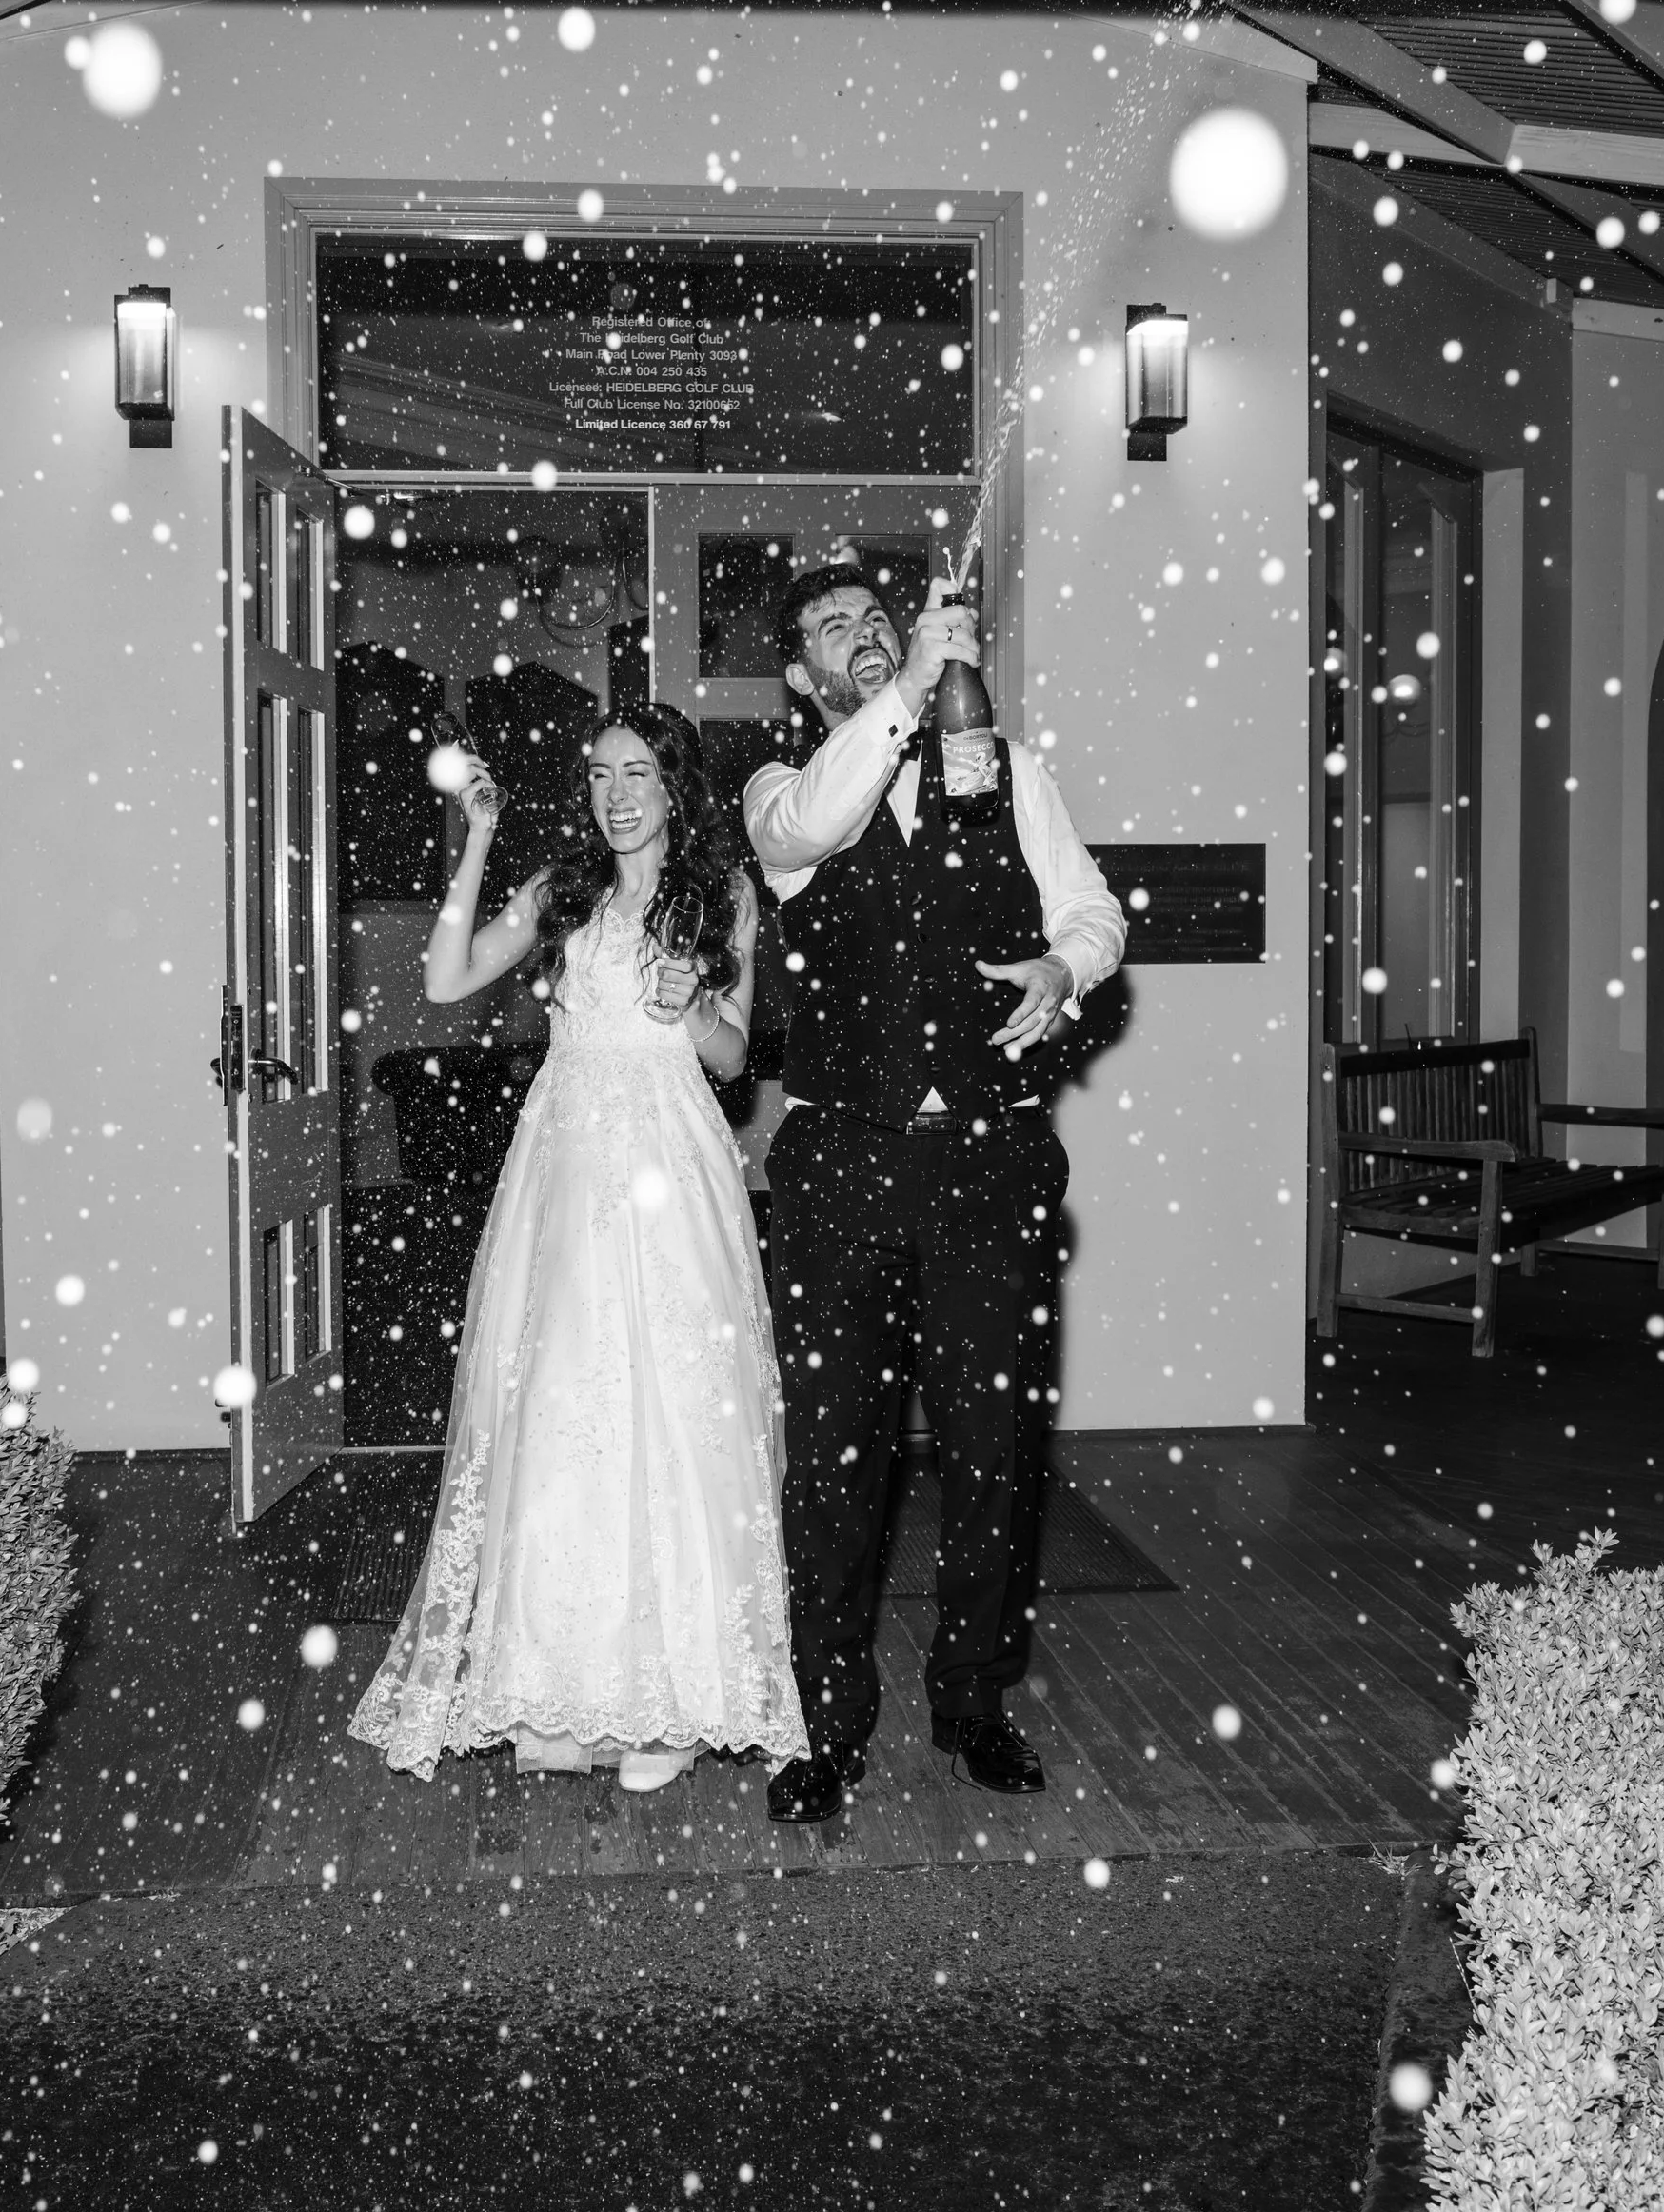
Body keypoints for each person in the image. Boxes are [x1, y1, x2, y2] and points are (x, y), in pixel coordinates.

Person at [349, 705, 806, 1794]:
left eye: (638, 772)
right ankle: (556, 1675)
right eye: (601, 773)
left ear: (673, 785)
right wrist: (474, 844)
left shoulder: (720, 895)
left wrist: (693, 1006)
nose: (616, 792)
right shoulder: (562, 889)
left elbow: (734, 1054)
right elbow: (447, 979)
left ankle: (676, 1694)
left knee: (678, 1410)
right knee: (559, 1405)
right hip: (563, 1162)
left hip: (674, 1155)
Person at [745, 564, 1124, 1822]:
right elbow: (812, 829)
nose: (858, 635)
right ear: (803, 674)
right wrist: (906, 693)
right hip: (843, 1166)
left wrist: (1065, 969)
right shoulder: (784, 787)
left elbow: (1092, 908)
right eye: (828, 629)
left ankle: (972, 1699)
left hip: (990, 1164)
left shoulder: (1008, 765)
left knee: (993, 1453)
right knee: (834, 1464)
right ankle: (826, 1722)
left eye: (874, 617)